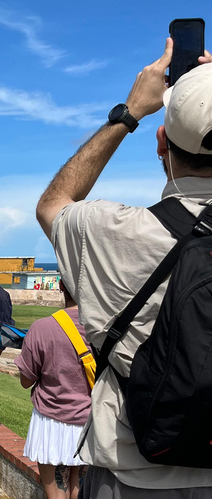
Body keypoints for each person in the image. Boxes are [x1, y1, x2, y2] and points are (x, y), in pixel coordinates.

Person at [36, 40, 212, 496]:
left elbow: (54, 204)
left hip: (134, 470)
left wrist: (129, 111)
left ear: (161, 143)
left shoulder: (112, 231)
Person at [14, 282, 89, 499]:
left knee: (57, 494)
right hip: (91, 421)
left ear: (62, 285)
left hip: (52, 419)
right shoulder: (104, 325)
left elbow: (26, 380)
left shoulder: (43, 327)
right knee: (81, 491)